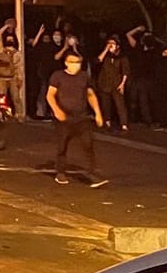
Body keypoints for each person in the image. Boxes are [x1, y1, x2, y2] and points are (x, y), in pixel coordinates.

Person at [48, 50, 107, 187]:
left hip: (81, 117)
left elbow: (90, 95)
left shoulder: (84, 77)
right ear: (66, 63)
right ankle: (60, 172)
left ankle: (91, 174)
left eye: (78, 63)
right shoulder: (58, 76)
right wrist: (57, 110)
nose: (76, 65)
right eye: (73, 62)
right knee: (62, 145)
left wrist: (98, 113)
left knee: (88, 144)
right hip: (64, 117)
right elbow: (50, 95)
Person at [94, 36, 130, 132]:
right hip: (104, 83)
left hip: (116, 83)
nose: (110, 45)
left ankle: (124, 124)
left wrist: (122, 84)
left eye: (112, 44)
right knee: (106, 104)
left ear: (117, 46)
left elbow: (125, 72)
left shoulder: (122, 57)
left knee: (120, 105)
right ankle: (107, 122)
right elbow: (98, 60)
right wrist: (106, 49)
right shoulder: (106, 56)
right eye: (109, 43)